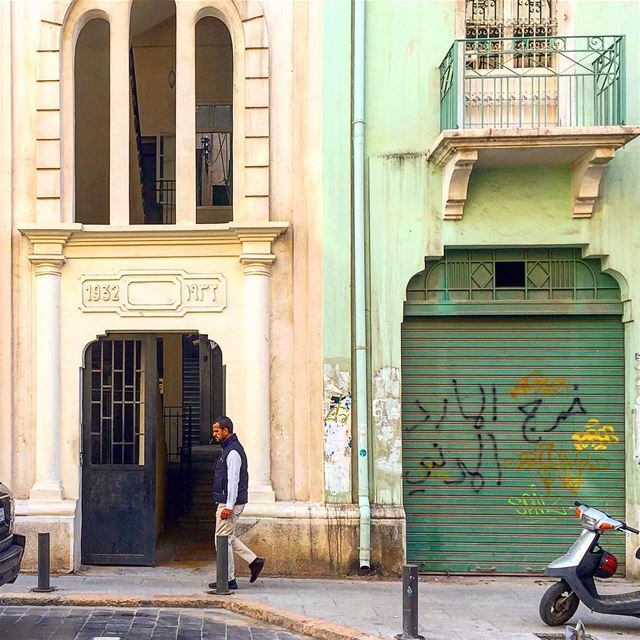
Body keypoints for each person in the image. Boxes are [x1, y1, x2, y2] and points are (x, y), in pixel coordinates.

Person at [208, 416, 265, 590]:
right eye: (214, 431)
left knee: (222, 539)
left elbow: (233, 481)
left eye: (217, 431)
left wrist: (228, 506)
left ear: (226, 431)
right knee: (228, 537)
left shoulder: (232, 452)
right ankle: (254, 561)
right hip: (229, 501)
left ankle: (228, 579)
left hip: (229, 502)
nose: (214, 434)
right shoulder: (229, 450)